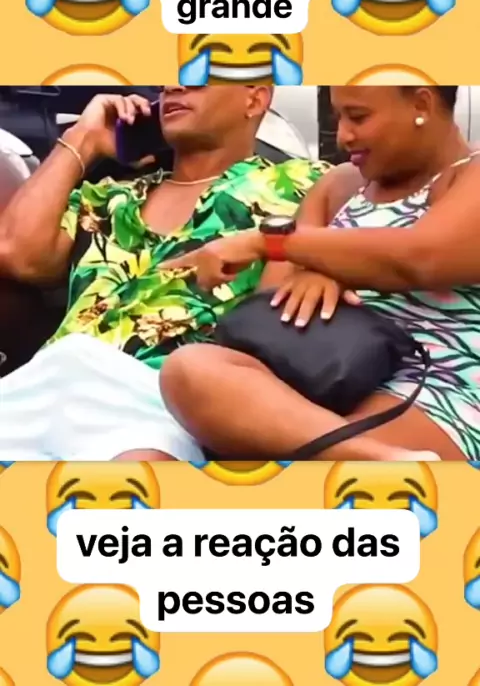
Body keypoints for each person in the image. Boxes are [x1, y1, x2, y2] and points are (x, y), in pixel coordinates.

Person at [0, 86, 328, 461]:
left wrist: (321, 269)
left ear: (254, 99)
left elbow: (367, 234)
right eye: (166, 81)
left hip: (165, 396)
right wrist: (83, 138)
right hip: (49, 381)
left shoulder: (302, 183)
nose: (174, 86)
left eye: (198, 77)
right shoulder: (109, 199)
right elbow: (15, 252)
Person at [160, 85, 480, 462]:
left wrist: (272, 244)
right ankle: (373, 459)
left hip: (435, 383)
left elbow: (422, 257)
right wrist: (324, 268)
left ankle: (371, 460)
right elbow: (274, 305)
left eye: (358, 117)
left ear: (421, 104)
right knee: (188, 369)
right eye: (338, 118)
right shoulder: (340, 186)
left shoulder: (469, 174)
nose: (343, 136)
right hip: (317, 379)